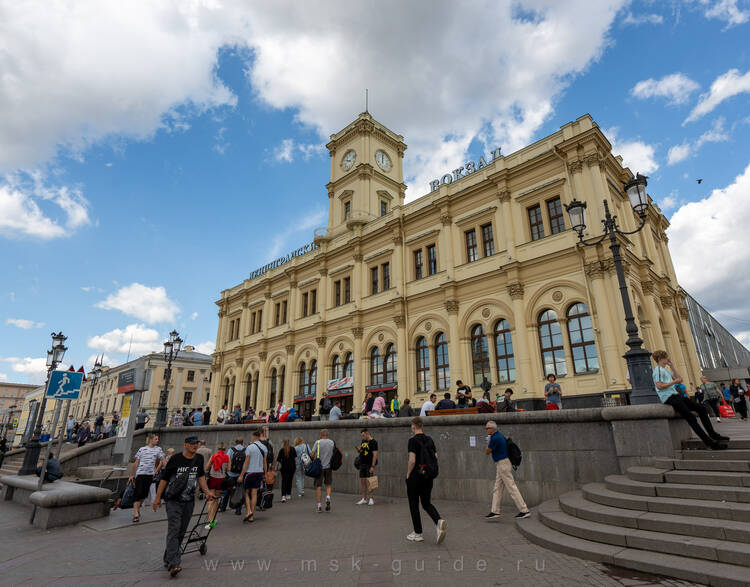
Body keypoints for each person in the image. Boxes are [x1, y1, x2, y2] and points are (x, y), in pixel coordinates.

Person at [153, 435, 214, 578]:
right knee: (174, 529)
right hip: (173, 500)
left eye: (196, 443)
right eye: (192, 443)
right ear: (185, 445)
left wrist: (207, 492)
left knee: (181, 532)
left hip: (189, 501)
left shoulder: (198, 459)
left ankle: (168, 557)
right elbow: (165, 479)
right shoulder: (175, 459)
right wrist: (157, 498)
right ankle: (175, 563)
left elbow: (200, 477)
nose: (195, 445)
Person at [652, 350, 728, 449]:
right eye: (666, 357)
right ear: (660, 359)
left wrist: (672, 366)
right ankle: (709, 443)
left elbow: (680, 379)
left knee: (702, 409)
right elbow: (660, 386)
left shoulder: (665, 370)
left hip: (676, 395)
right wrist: (674, 381)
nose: (668, 359)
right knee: (690, 417)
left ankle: (713, 434)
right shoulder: (657, 370)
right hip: (669, 397)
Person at [406, 417, 446, 544]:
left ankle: (418, 533)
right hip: (428, 476)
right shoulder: (430, 439)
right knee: (426, 503)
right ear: (421, 426)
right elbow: (435, 457)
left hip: (415, 477)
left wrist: (408, 474)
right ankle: (438, 521)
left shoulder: (412, 441)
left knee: (414, 504)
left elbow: (412, 460)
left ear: (413, 426)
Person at [484, 421, 530, 520]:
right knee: (497, 488)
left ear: (492, 429)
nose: (486, 430)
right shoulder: (499, 435)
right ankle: (495, 511)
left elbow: (487, 451)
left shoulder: (494, 438)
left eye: (487, 428)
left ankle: (524, 510)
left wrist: (488, 441)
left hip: (502, 464)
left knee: (511, 487)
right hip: (502, 464)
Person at [129, 433, 166, 523]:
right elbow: (136, 463)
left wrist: (169, 469)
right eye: (156, 439)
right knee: (138, 493)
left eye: (158, 439)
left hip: (150, 475)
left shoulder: (158, 449)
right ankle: (136, 514)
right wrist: (131, 475)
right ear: (151, 440)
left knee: (144, 495)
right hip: (140, 474)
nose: (158, 440)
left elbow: (163, 461)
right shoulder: (142, 449)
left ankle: (137, 509)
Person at [238, 429, 267, 523]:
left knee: (246, 493)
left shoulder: (249, 448)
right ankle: (252, 515)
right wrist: (265, 474)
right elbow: (264, 463)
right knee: (254, 493)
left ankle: (248, 511)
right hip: (259, 473)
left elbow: (246, 463)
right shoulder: (264, 448)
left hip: (250, 473)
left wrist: (241, 475)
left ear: (254, 437)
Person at [205, 443, 228, 528]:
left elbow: (207, 468)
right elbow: (228, 469)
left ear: (218, 449)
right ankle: (213, 520)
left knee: (210, 499)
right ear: (225, 449)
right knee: (216, 500)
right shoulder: (227, 457)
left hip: (212, 478)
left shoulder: (213, 456)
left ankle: (210, 521)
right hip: (221, 479)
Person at [312, 429, 335, 513]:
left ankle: (319, 506)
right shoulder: (331, 442)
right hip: (329, 467)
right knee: (328, 484)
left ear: (321, 435)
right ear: (327, 435)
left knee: (319, 486)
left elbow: (312, 454)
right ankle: (328, 497)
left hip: (319, 467)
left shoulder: (317, 442)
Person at [221, 437, 245, 514]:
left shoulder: (231, 450)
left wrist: (225, 471)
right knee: (239, 492)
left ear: (235, 442)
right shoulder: (245, 450)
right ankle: (238, 510)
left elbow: (226, 460)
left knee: (227, 491)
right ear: (242, 443)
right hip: (240, 475)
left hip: (230, 474)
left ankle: (223, 507)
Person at [356, 429, 378, 505]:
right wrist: (359, 450)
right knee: (363, 481)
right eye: (361, 436)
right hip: (362, 463)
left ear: (367, 434)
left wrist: (373, 466)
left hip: (369, 464)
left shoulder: (373, 442)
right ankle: (364, 498)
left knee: (371, 481)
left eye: (363, 435)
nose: (362, 437)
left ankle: (371, 498)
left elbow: (375, 454)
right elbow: (362, 451)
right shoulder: (363, 441)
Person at [276, 438, 297, 503]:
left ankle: (283, 496)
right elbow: (295, 459)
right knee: (290, 481)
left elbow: (278, 461)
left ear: (283, 443)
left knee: (284, 481)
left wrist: (276, 468)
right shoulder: (293, 449)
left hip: (284, 468)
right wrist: (294, 465)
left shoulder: (281, 450)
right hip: (292, 468)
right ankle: (288, 494)